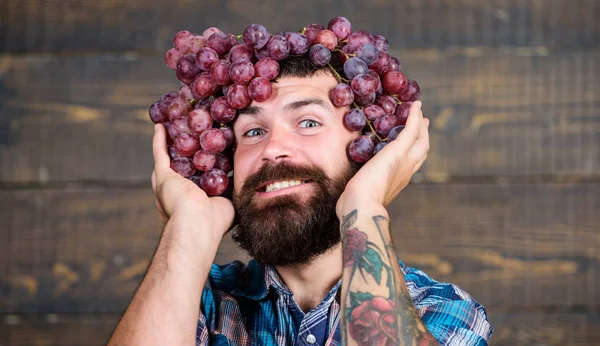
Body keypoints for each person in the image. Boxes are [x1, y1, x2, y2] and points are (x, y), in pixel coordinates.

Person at [107, 54, 493, 346]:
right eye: (253, 131)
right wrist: (188, 226)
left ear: (366, 152)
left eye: (308, 123)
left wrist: (364, 203)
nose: (273, 149)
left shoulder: (440, 310)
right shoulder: (194, 301)